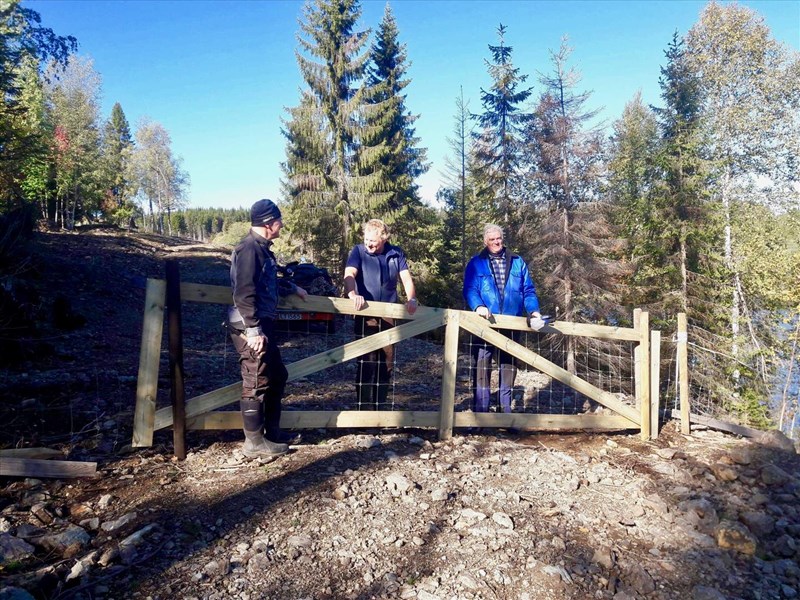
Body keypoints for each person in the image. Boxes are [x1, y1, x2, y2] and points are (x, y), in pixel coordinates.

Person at [227, 199, 308, 459]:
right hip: (251, 326)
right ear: (268, 223)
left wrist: (292, 288)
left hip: (262, 325)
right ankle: (254, 443)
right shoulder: (249, 249)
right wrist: (253, 329)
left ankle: (271, 432)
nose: (281, 224)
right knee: (256, 380)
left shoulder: (262, 249)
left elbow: (266, 283)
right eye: (278, 220)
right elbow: (244, 292)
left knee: (277, 375)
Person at [463, 223, 545, 413]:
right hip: (484, 324)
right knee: (482, 367)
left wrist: (533, 311)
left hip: (512, 323)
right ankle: (481, 413)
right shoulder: (476, 263)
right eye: (491, 239)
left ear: (503, 239)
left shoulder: (517, 261)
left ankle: (505, 412)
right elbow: (470, 289)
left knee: (508, 367)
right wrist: (478, 306)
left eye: (498, 238)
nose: (496, 242)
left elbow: (528, 291)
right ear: (485, 241)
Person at [343, 219, 418, 410]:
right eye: (366, 239)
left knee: (386, 361)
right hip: (365, 312)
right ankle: (363, 406)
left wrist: (411, 299)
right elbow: (350, 273)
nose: (368, 243)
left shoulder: (396, 253)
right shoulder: (358, 251)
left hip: (388, 314)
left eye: (373, 240)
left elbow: (406, 279)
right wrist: (352, 293)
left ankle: (380, 406)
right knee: (366, 360)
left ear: (384, 238)